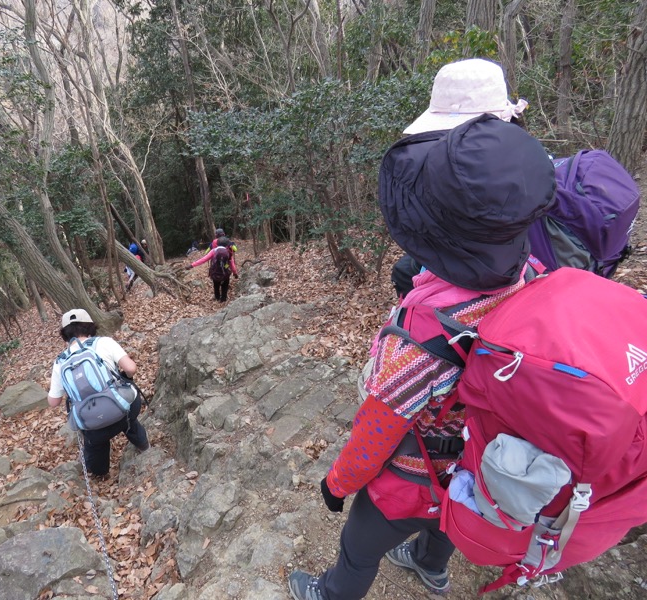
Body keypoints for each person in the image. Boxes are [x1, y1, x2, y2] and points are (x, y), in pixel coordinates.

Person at [287, 77, 556, 599]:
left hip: (407, 479)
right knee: (444, 522)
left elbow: (377, 428)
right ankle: (431, 567)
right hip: (472, 468)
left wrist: (337, 484)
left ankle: (331, 593)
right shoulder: (531, 275)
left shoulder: (424, 339)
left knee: (358, 550)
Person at [390, 58, 528, 299]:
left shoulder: (453, 166)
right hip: (507, 267)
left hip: (481, 276)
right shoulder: (525, 159)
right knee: (404, 271)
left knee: (405, 272)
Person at [47, 309, 149, 476]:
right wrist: (124, 378)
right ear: (90, 326)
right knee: (127, 411)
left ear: (64, 333)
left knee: (94, 441)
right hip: (122, 411)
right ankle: (144, 445)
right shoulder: (104, 342)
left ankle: (100, 473)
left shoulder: (61, 362)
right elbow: (131, 368)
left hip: (92, 424)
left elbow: (53, 402)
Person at [186, 236, 239, 303]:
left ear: (217, 243)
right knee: (225, 286)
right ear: (227, 245)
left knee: (216, 285)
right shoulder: (228, 252)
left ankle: (217, 297)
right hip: (225, 274)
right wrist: (235, 273)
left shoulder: (213, 251)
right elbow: (232, 264)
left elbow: (203, 259)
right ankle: (223, 299)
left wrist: (192, 265)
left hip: (215, 272)